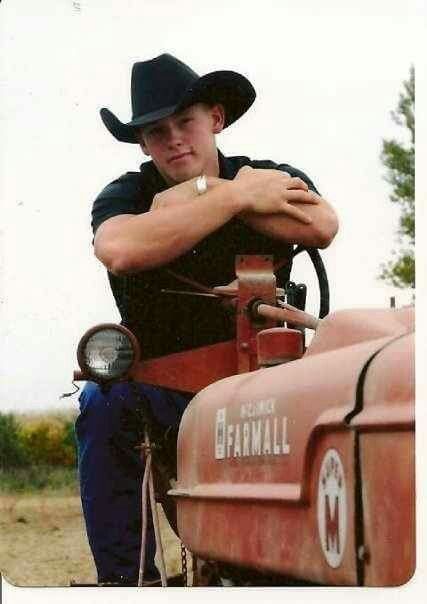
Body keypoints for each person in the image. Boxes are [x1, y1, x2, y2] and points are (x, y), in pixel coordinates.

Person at [75, 53, 338, 586]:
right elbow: (120, 248)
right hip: (165, 389)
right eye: (157, 131)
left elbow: (321, 224)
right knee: (101, 403)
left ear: (215, 119)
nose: (174, 139)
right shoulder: (128, 194)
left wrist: (197, 198)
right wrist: (236, 193)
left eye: (185, 123)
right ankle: (127, 583)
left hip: (270, 388)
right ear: (143, 144)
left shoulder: (275, 176)